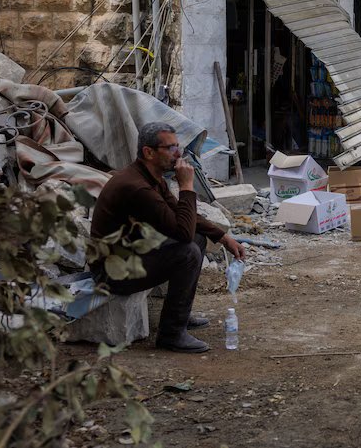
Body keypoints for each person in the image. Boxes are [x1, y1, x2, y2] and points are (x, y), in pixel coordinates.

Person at [91, 122, 246, 353]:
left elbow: (181, 216)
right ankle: (171, 334)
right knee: (188, 251)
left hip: (130, 255)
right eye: (170, 148)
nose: (178, 153)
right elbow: (182, 230)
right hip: (112, 273)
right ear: (149, 152)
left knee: (197, 239)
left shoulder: (151, 177)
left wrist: (223, 237)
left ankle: (179, 313)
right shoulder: (137, 187)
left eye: (178, 146)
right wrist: (186, 186)